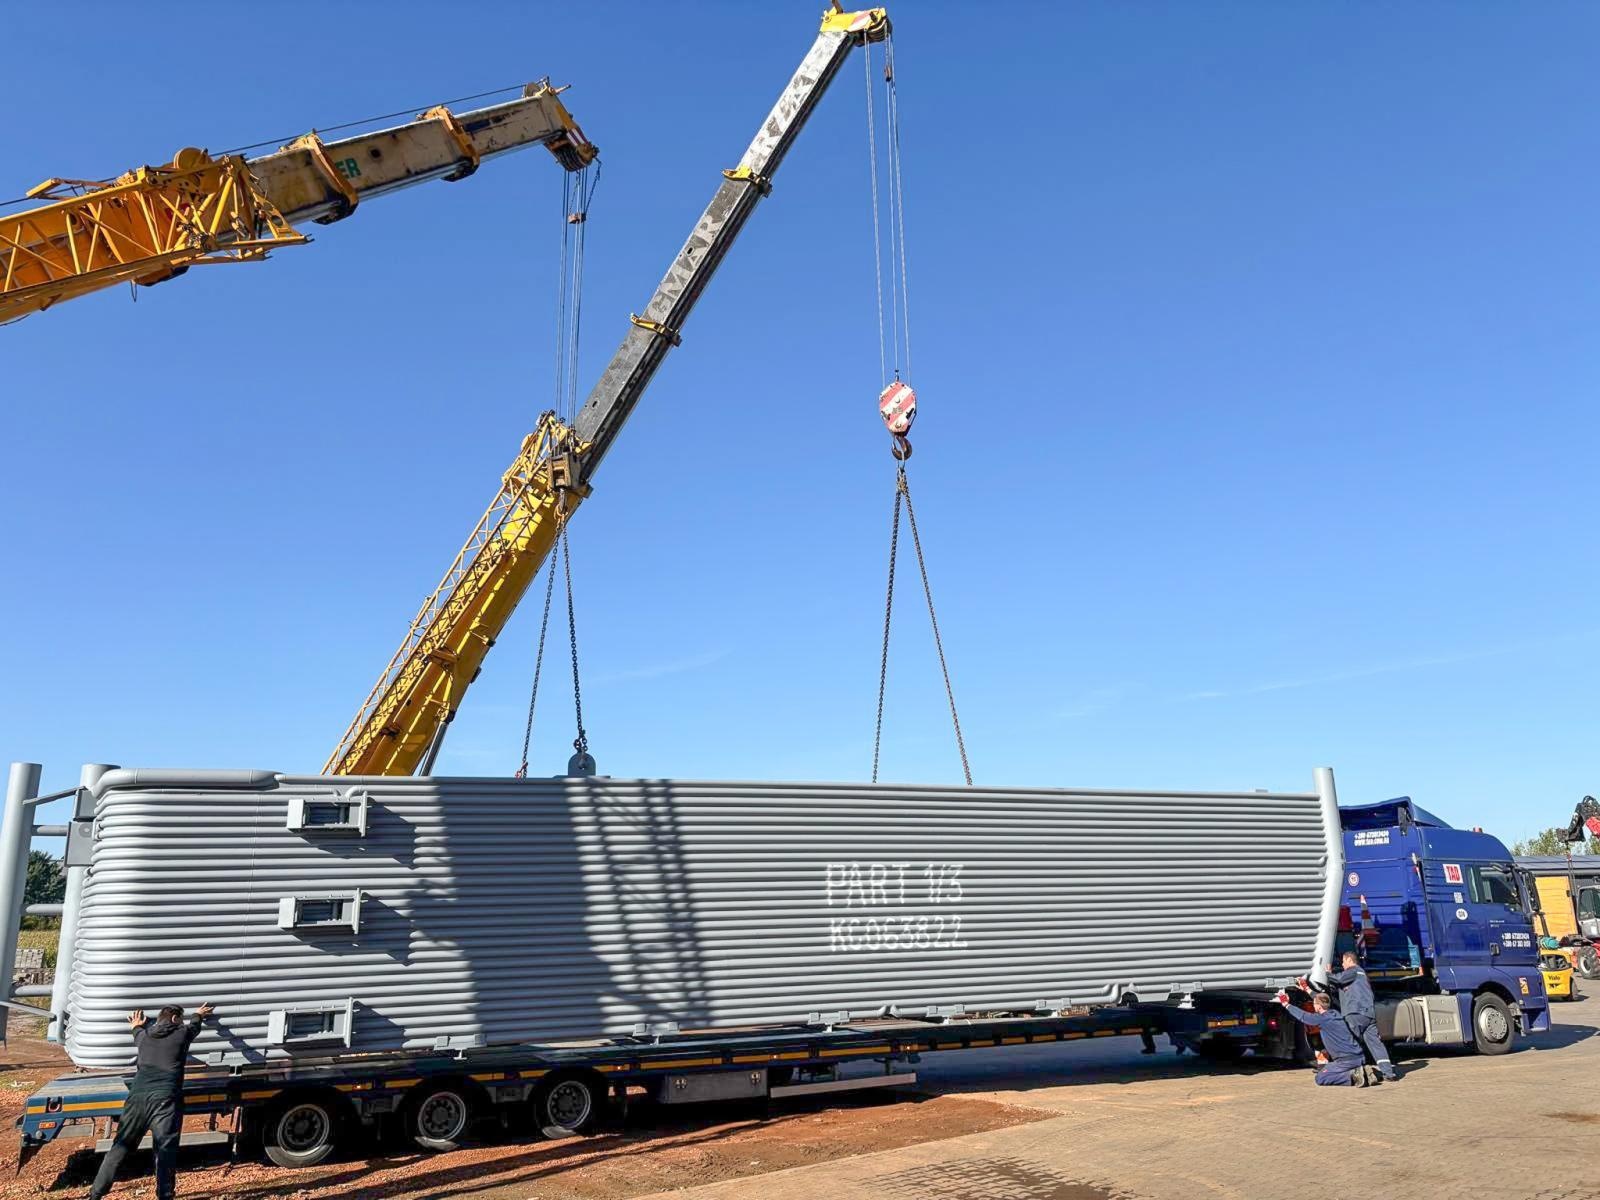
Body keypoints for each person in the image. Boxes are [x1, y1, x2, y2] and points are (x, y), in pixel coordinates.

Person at [89, 1002, 215, 1200]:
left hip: (136, 1099)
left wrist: (137, 1025)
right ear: (175, 1019)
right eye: (180, 1018)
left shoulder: (144, 1037)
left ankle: (95, 1195)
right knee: (165, 1150)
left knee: (120, 1148)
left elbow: (136, 1030)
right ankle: (165, 1196)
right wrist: (198, 1014)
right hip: (164, 1100)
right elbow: (194, 1027)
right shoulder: (181, 1034)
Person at [1273, 990, 1375, 1086]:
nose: (1313, 1006)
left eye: (1314, 1004)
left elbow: (1303, 1016)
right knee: (1326, 1068)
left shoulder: (1322, 1019)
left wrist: (1287, 1005)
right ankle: (1363, 1071)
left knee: (1321, 1077)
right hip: (1359, 1057)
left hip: (1345, 1060)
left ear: (1318, 1007)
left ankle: (1353, 1076)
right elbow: (1322, 1000)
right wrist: (1307, 989)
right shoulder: (1336, 1013)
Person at [1325, 950, 1399, 1082]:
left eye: (1343, 961)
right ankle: (1389, 1073)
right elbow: (1342, 986)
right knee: (1376, 1044)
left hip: (1355, 1013)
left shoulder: (1353, 970)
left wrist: (1328, 973)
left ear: (1349, 960)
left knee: (1348, 1042)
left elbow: (1339, 978)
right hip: (1368, 1015)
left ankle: (1355, 1071)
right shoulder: (1361, 974)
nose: (1342, 964)